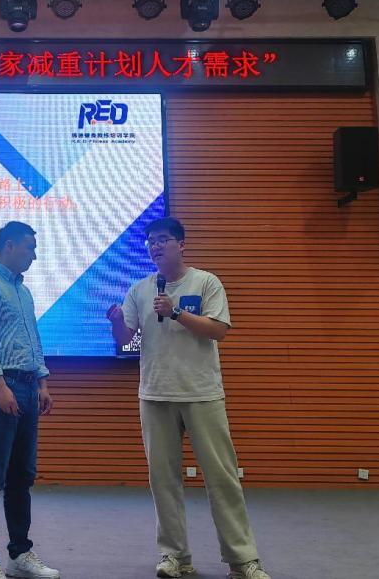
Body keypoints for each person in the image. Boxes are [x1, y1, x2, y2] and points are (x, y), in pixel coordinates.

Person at [107, 217, 271, 579]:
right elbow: (124, 340)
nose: (155, 246)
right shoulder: (139, 290)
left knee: (222, 477)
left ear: (181, 244)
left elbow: (219, 330)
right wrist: (116, 321)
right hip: (155, 395)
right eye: (151, 241)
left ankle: (242, 559)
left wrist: (177, 312)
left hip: (201, 394)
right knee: (163, 481)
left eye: (162, 239)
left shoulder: (206, 282)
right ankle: (175, 556)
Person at [0, 221, 59, 579]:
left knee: (21, 476)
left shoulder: (24, 291)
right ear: (8, 246)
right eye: (29, 248)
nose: (34, 255)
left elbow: (32, 339)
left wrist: (42, 382)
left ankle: (20, 554)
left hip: (27, 387)